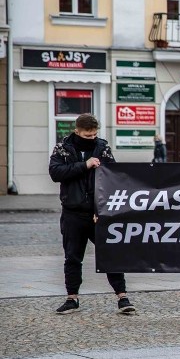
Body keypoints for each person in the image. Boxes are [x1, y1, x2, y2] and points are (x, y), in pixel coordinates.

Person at [48, 114, 134, 315]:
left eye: (95, 134)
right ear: (77, 131)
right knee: (72, 257)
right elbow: (55, 173)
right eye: (88, 135)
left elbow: (113, 178)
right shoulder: (63, 148)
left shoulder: (102, 147)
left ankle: (122, 297)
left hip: (98, 213)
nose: (92, 138)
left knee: (111, 254)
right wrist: (84, 165)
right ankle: (72, 298)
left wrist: (101, 209)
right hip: (73, 212)